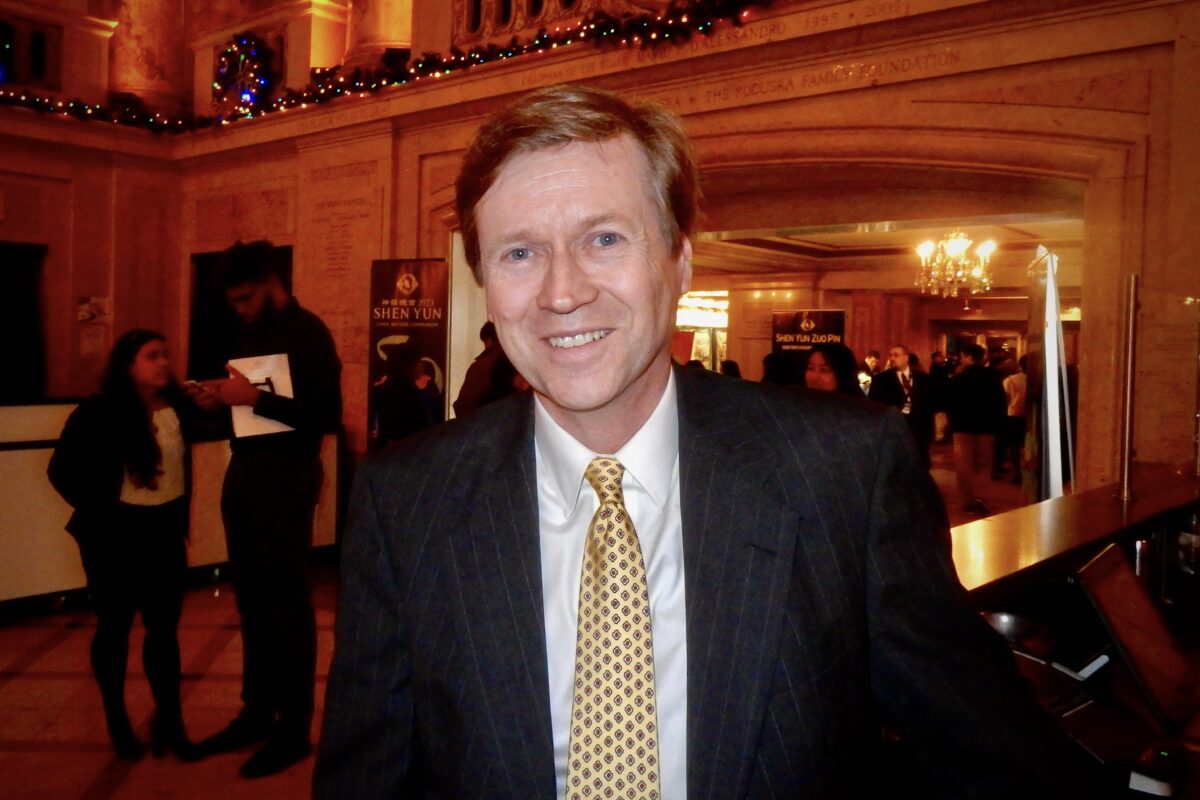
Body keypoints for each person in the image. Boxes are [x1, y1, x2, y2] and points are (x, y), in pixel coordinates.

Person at [314, 85, 1106, 798]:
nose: (561, 292)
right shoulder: (405, 499)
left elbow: (989, 751)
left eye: (604, 240)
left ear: (680, 258)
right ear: (487, 279)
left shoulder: (841, 470)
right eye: (520, 253)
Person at [188, 240, 342, 778]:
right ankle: (256, 712)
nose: (241, 308)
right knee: (251, 601)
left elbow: (324, 414)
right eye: (233, 301)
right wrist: (218, 398)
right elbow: (248, 408)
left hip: (288, 478)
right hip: (246, 472)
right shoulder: (248, 332)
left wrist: (252, 400)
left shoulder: (309, 333)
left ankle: (293, 728)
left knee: (286, 604)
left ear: (274, 284)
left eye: (248, 297)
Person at [48, 330, 201, 762]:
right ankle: (117, 721)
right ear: (128, 365)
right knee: (115, 627)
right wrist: (100, 510)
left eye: (166, 355)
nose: (163, 362)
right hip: (116, 535)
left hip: (164, 531)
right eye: (152, 356)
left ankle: (170, 723)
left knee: (164, 631)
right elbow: (60, 470)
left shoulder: (179, 407)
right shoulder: (100, 411)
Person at [948, 343, 1007, 516]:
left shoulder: (958, 378)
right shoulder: (993, 377)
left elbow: (950, 402)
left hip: (962, 426)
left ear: (968, 356)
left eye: (962, 356)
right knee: (984, 463)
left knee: (963, 463)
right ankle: (980, 497)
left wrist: (953, 421)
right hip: (986, 426)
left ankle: (968, 499)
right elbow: (1000, 402)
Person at [868, 344, 935, 468]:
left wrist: (930, 435)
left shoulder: (924, 379)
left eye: (896, 355)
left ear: (906, 357)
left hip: (918, 432)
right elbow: (874, 406)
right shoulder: (880, 380)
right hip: (893, 432)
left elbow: (929, 407)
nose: (892, 358)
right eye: (890, 355)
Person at [452, 320, 513, 416]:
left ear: (489, 340)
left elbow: (464, 404)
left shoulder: (480, 367)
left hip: (484, 423)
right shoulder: (517, 363)